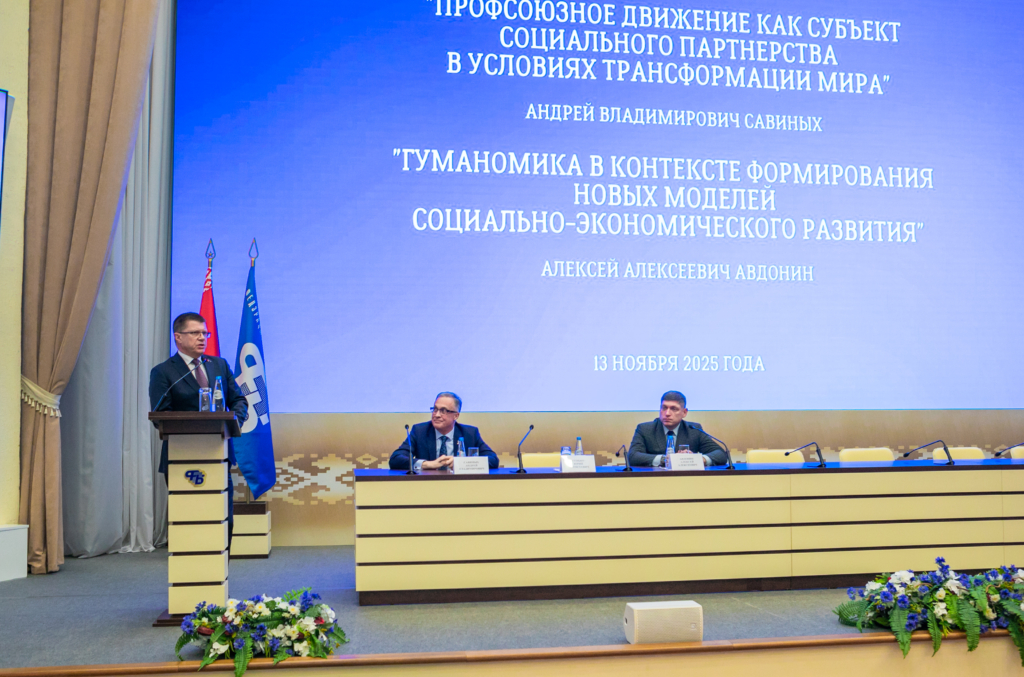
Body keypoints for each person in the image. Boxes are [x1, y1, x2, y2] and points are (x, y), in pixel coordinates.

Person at [149, 312, 249, 538]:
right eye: (195, 333)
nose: (202, 337)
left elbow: (239, 400)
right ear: (178, 337)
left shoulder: (219, 365)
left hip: (218, 453)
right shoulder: (163, 372)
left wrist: (233, 422)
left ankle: (222, 562)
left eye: (205, 333)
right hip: (181, 456)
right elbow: (159, 415)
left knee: (223, 520)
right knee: (190, 520)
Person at [389, 392, 499, 471]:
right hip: (427, 486)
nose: (436, 415)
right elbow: (395, 459)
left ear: (456, 415)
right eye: (435, 409)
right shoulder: (420, 431)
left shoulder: (470, 433)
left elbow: (493, 460)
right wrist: (427, 464)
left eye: (443, 411)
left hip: (461, 486)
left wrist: (461, 463)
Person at [627, 391, 726, 467]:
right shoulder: (645, 429)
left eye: (674, 409)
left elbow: (721, 454)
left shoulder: (694, 430)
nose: (667, 413)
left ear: (684, 412)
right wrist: (666, 459)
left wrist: (699, 460)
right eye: (664, 408)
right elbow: (633, 456)